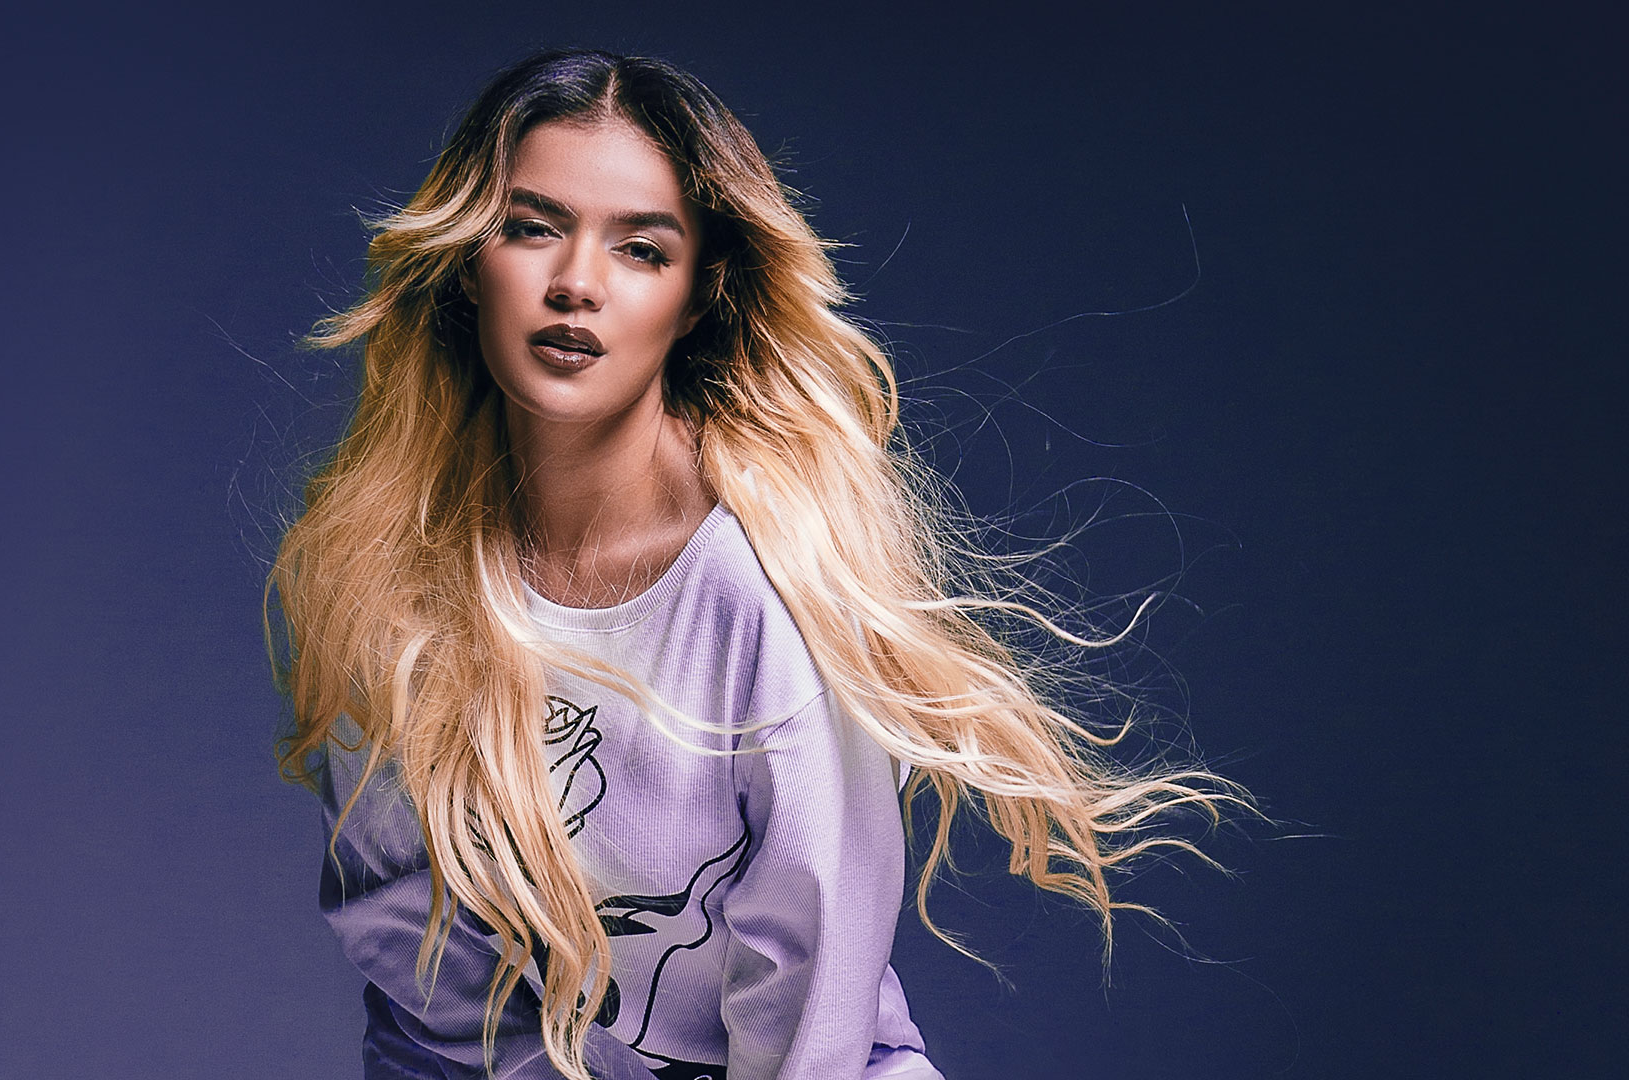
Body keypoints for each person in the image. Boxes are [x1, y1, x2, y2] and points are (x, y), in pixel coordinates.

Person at [269, 48, 1240, 1080]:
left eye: (641, 249)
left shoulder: (763, 588)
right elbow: (424, 992)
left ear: (697, 297)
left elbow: (810, 1004)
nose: (577, 284)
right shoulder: (391, 585)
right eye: (533, 227)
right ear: (470, 263)